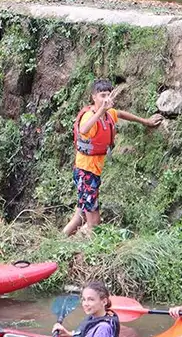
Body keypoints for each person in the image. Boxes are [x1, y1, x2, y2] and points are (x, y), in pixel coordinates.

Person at [63, 79, 163, 236]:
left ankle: (59, 242)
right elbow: (83, 129)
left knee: (80, 216)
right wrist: (101, 111)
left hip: (92, 172)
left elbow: (121, 114)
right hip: (85, 172)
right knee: (94, 224)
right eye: (102, 95)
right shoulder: (90, 116)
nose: (106, 99)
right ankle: (81, 249)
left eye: (108, 95)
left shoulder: (109, 114)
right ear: (93, 97)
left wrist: (146, 121)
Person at [39, 281, 121, 337]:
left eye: (91, 299)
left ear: (104, 301)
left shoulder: (102, 328)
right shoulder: (96, 317)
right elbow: (87, 336)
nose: (85, 303)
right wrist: (68, 333)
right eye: (84, 299)